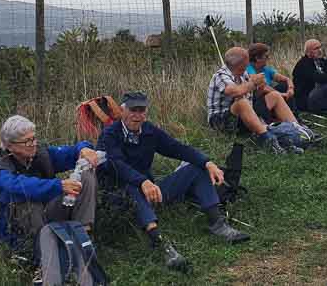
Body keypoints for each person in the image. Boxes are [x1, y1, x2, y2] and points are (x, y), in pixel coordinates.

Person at [98, 92, 249, 270]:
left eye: (142, 110)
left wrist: (208, 163)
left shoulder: (149, 131)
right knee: (131, 187)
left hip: (151, 191)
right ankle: (160, 244)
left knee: (196, 168)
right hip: (121, 196)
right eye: (133, 110)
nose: (137, 115)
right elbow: (117, 165)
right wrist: (142, 182)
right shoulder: (109, 135)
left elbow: (177, 148)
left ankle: (218, 224)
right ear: (122, 111)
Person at [0, 115, 99, 254]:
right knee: (29, 203)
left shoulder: (39, 154)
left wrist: (83, 149)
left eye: (33, 138)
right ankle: (42, 253)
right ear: (10, 146)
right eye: (27, 141)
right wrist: (59, 185)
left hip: (45, 213)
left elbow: (69, 152)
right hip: (14, 226)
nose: (33, 144)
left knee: (86, 174)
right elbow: (17, 186)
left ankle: (83, 237)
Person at [206, 47, 290, 154]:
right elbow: (236, 92)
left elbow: (253, 93)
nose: (249, 62)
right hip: (221, 121)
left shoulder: (243, 73)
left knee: (274, 95)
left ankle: (298, 131)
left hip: (242, 116)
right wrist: (253, 83)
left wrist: (260, 87)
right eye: (247, 59)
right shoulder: (221, 76)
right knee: (241, 102)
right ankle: (268, 141)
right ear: (241, 63)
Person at [246, 43, 299, 121]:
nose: (268, 59)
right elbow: (261, 86)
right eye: (266, 56)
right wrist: (281, 94)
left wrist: (290, 89)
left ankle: (293, 115)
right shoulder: (249, 69)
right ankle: (274, 119)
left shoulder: (266, 69)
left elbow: (286, 79)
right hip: (257, 100)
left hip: (270, 97)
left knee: (284, 85)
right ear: (257, 58)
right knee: (270, 93)